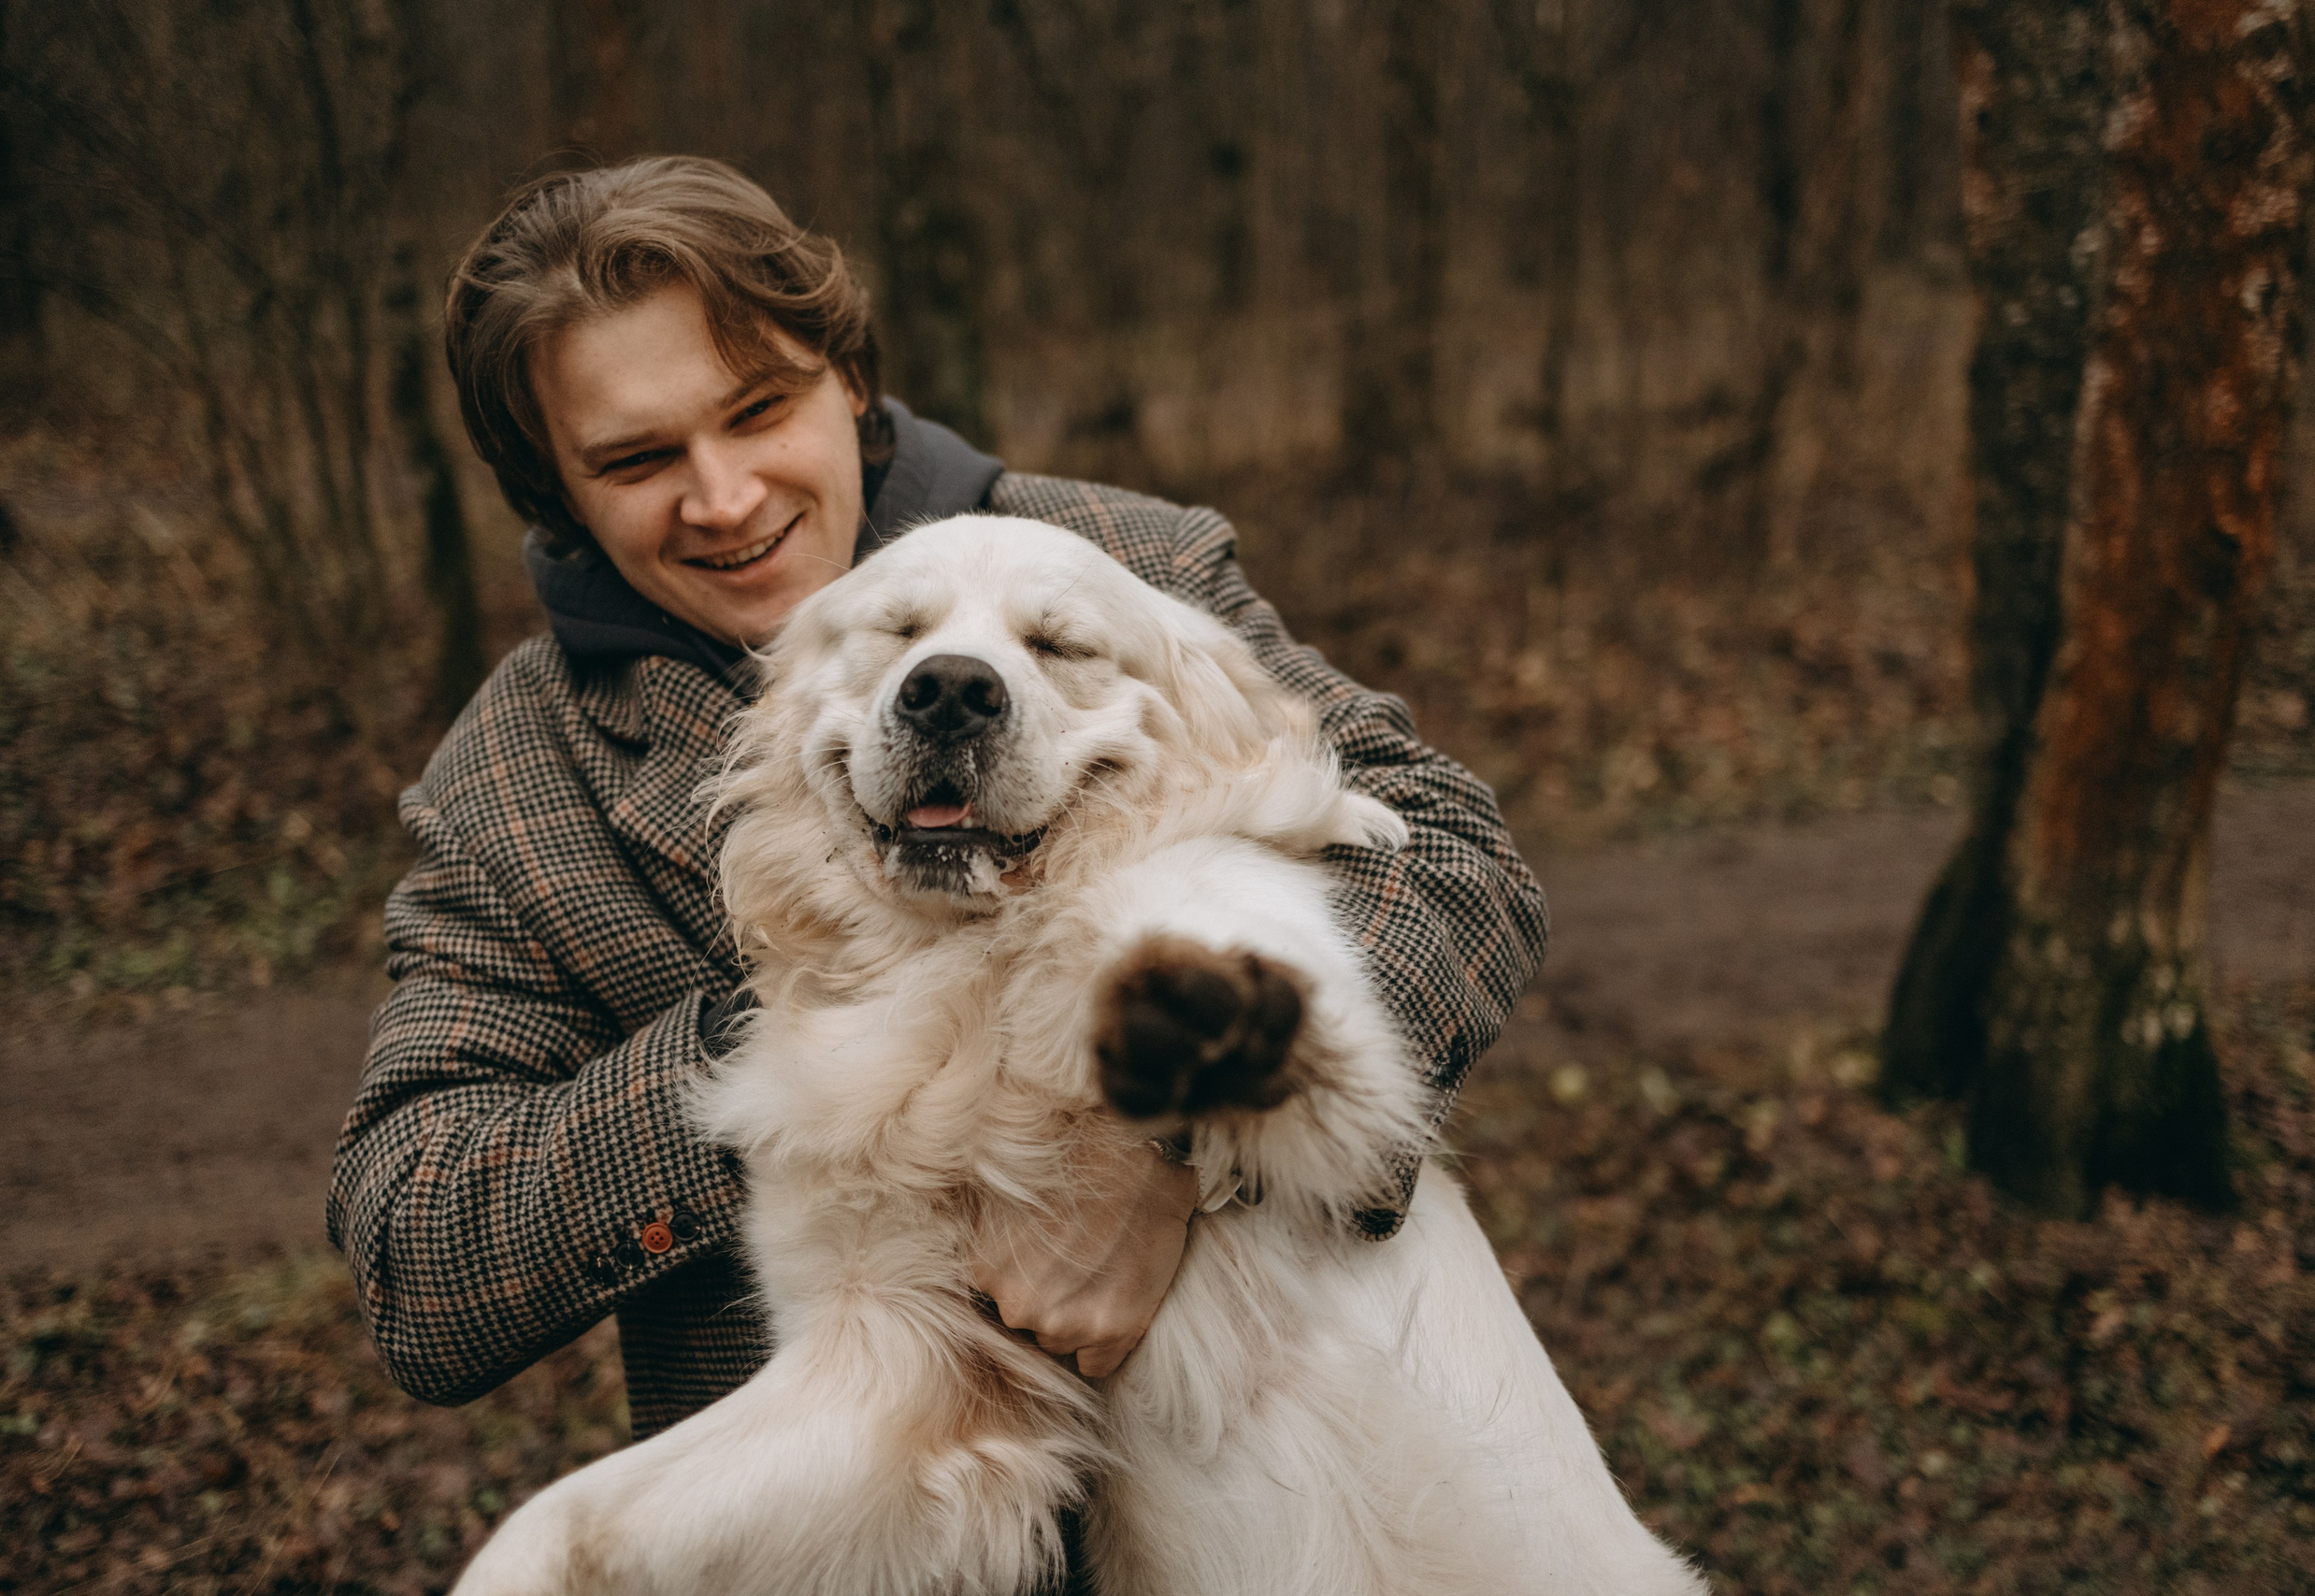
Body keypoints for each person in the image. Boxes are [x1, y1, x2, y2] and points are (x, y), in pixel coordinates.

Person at [328, 156, 1544, 1462]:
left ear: (849, 376)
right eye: (636, 459)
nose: (726, 497)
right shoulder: (511, 781)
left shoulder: (1133, 564)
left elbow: (1453, 858)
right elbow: (419, 1256)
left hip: (1275, 1473)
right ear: (555, 489)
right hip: (865, 1498)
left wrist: (1165, 1145)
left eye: (759, 408)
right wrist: (793, 1047)